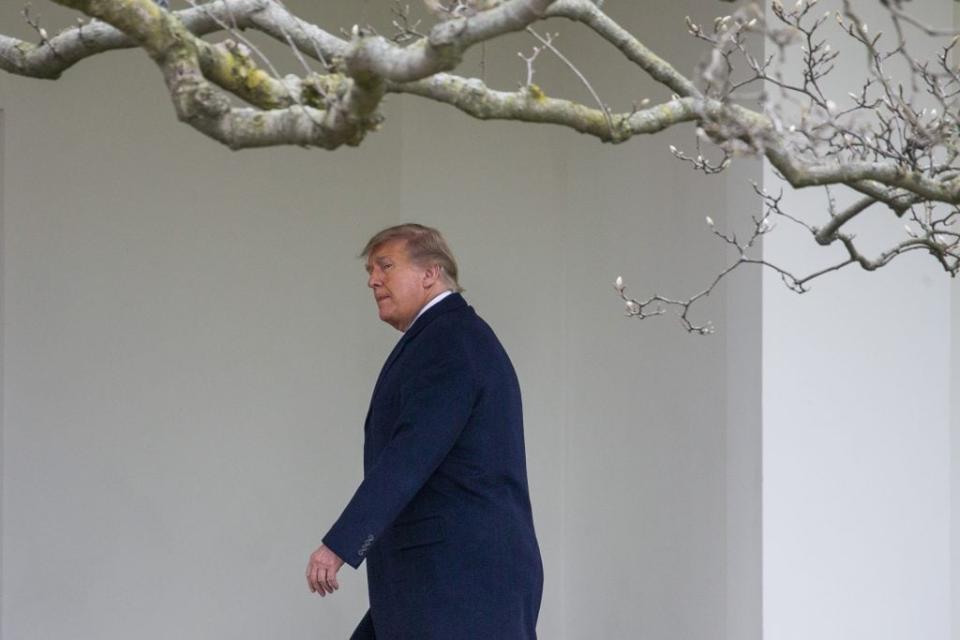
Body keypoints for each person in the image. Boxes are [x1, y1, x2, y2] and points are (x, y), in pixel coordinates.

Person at [305, 223, 543, 639]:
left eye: (385, 266)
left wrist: (341, 543)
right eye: (369, 270)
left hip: (458, 581)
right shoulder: (446, 337)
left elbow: (411, 452)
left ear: (430, 273)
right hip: (437, 580)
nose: (372, 280)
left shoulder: (449, 340)